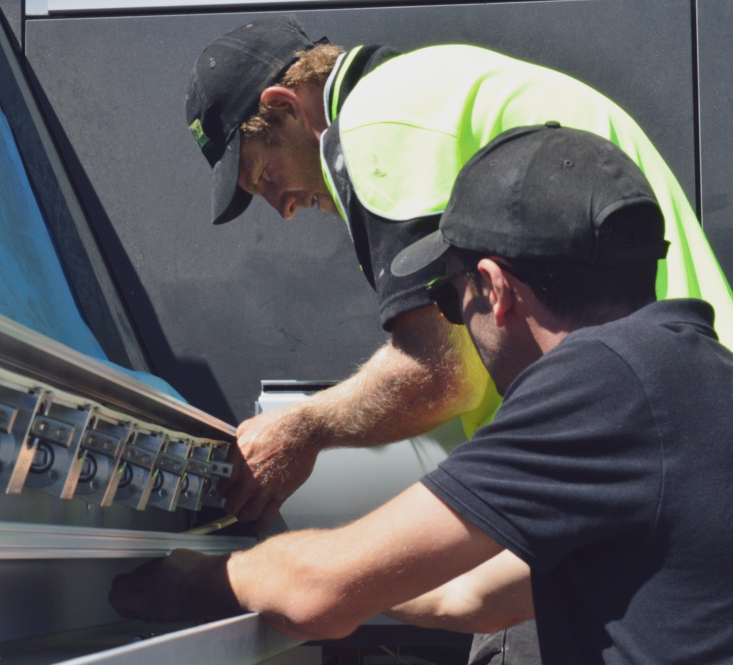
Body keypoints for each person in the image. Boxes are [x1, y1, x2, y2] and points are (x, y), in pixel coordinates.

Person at [111, 124, 733, 664]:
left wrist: (199, 577)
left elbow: (315, 595)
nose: (458, 319)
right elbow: (471, 595)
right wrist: (365, 581)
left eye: (449, 297)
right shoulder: (694, 373)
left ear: (494, 288)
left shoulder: (602, 383)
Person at [185, 17, 733, 534]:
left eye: (264, 175)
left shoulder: (377, 121)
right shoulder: (425, 87)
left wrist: (301, 429)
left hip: (639, 434)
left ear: (286, 107)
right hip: (680, 404)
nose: (282, 207)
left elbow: (441, 375)